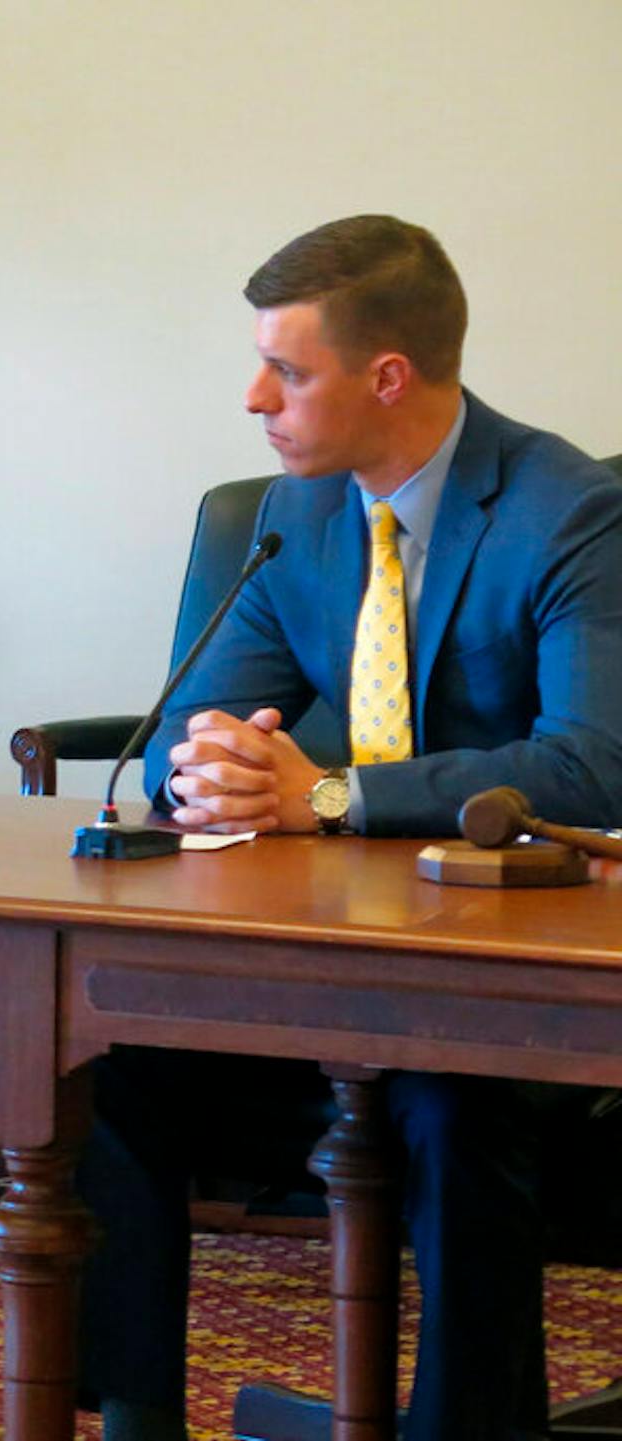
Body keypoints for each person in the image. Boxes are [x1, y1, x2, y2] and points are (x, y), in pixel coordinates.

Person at [82, 215, 622, 1441]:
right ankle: (131, 1418)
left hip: (517, 972)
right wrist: (208, 763)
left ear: (388, 377)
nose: (255, 394)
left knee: (449, 1101)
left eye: (291, 370)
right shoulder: (296, 514)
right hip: (321, 960)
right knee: (111, 1060)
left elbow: (596, 766)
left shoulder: (570, 511)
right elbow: (192, 722)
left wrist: (324, 794)